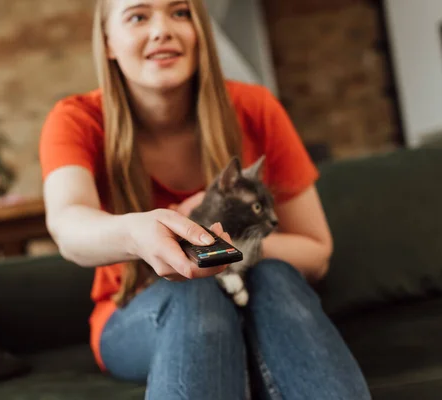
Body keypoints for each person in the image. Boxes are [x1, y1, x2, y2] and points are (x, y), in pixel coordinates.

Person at [39, 0, 371, 398]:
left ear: (200, 31)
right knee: (194, 289)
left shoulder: (255, 107)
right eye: (138, 16)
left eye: (180, 13)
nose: (162, 29)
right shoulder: (77, 120)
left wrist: (223, 251)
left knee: (275, 273)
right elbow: (68, 225)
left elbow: (316, 253)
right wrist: (138, 232)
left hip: (256, 289)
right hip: (135, 311)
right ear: (108, 41)